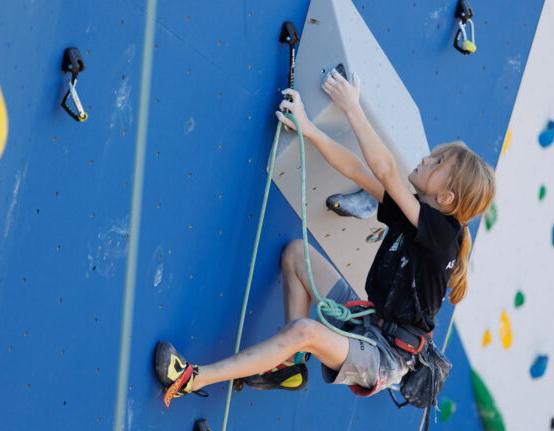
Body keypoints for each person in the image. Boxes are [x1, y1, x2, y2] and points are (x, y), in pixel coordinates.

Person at [153, 69, 496, 407]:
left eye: (436, 163)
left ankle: (190, 379)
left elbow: (385, 170)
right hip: (368, 322)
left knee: (306, 332)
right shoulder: (418, 218)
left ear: (447, 198)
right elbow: (360, 171)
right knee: (296, 255)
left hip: (386, 356)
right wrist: (310, 130)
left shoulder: (442, 234)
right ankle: (288, 367)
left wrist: (352, 107)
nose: (426, 158)